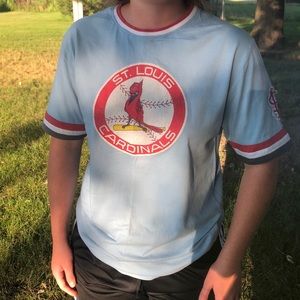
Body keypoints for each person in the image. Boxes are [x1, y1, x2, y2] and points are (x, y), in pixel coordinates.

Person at [43, 0, 291, 299]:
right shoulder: (83, 37)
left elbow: (262, 163)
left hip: (191, 255)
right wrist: (59, 240)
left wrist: (229, 261)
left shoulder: (229, 47)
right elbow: (64, 147)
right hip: (97, 251)